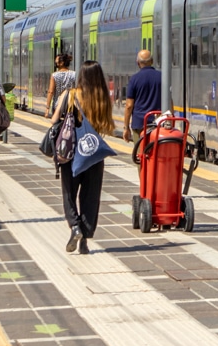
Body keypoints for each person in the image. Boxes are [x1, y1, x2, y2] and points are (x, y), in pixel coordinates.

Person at [52, 62, 113, 254]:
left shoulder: (70, 95)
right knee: (90, 197)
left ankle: (75, 226)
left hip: (70, 153)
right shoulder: (102, 99)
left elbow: (54, 120)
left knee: (69, 193)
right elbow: (107, 126)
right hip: (94, 154)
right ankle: (85, 240)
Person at [123, 49, 161, 142]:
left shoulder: (134, 79)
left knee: (140, 154)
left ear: (138, 63)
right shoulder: (162, 77)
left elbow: (129, 105)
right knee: (156, 153)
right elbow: (169, 101)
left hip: (140, 124)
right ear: (152, 61)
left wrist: (126, 127)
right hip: (158, 123)